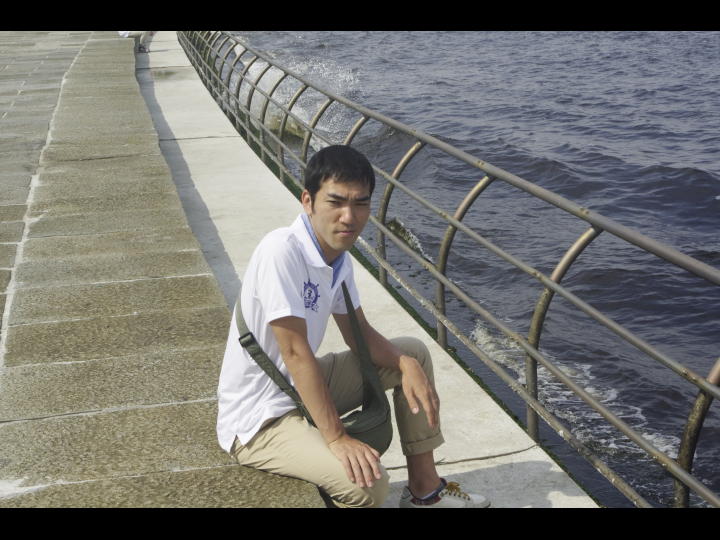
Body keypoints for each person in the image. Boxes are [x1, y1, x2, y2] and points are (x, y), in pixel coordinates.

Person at [216, 144, 490, 508]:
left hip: (295, 391)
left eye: (360, 203)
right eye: (336, 202)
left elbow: (359, 334)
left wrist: (405, 363)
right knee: (368, 487)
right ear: (308, 201)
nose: (349, 217)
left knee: (412, 353)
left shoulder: (337, 259)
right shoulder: (281, 251)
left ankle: (425, 491)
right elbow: (295, 353)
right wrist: (337, 439)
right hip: (260, 419)